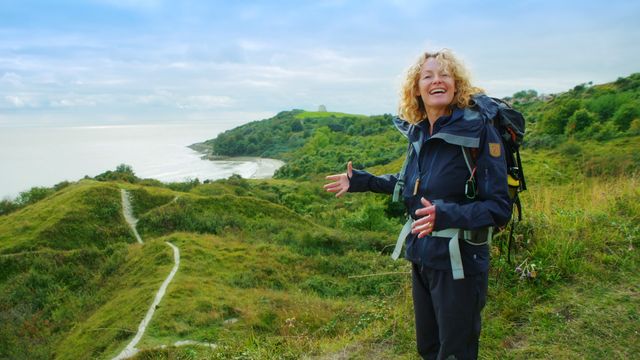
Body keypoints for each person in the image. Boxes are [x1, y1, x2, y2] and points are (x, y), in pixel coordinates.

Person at [324, 49, 512, 359]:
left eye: (445, 75)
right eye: (428, 76)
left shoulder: (479, 131)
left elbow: (498, 208)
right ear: (416, 88)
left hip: (460, 263)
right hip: (423, 257)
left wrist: (445, 214)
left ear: (457, 85)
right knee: (428, 349)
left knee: (455, 352)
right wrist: (363, 181)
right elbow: (409, 184)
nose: (437, 80)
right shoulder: (420, 132)